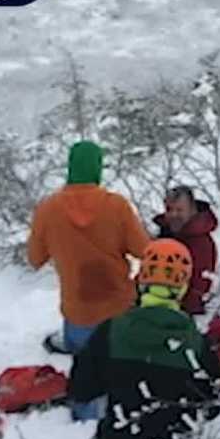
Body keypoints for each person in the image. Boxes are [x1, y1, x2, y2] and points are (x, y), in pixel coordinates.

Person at [47, 239, 220, 439]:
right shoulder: (198, 344)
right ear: (182, 286)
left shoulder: (111, 331)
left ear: (142, 278)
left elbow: (80, 391)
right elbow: (213, 404)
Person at [26, 140, 151, 419]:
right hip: (119, 306)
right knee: (120, 363)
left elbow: (35, 259)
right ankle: (120, 409)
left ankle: (85, 414)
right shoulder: (116, 206)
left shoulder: (48, 209)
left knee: (84, 365)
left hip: (78, 309)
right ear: (97, 168)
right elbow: (144, 251)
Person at [152, 185, 218, 317]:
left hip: (180, 314)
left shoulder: (201, 244)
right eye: (169, 210)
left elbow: (198, 289)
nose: (174, 215)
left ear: (192, 210)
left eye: (180, 210)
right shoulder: (163, 234)